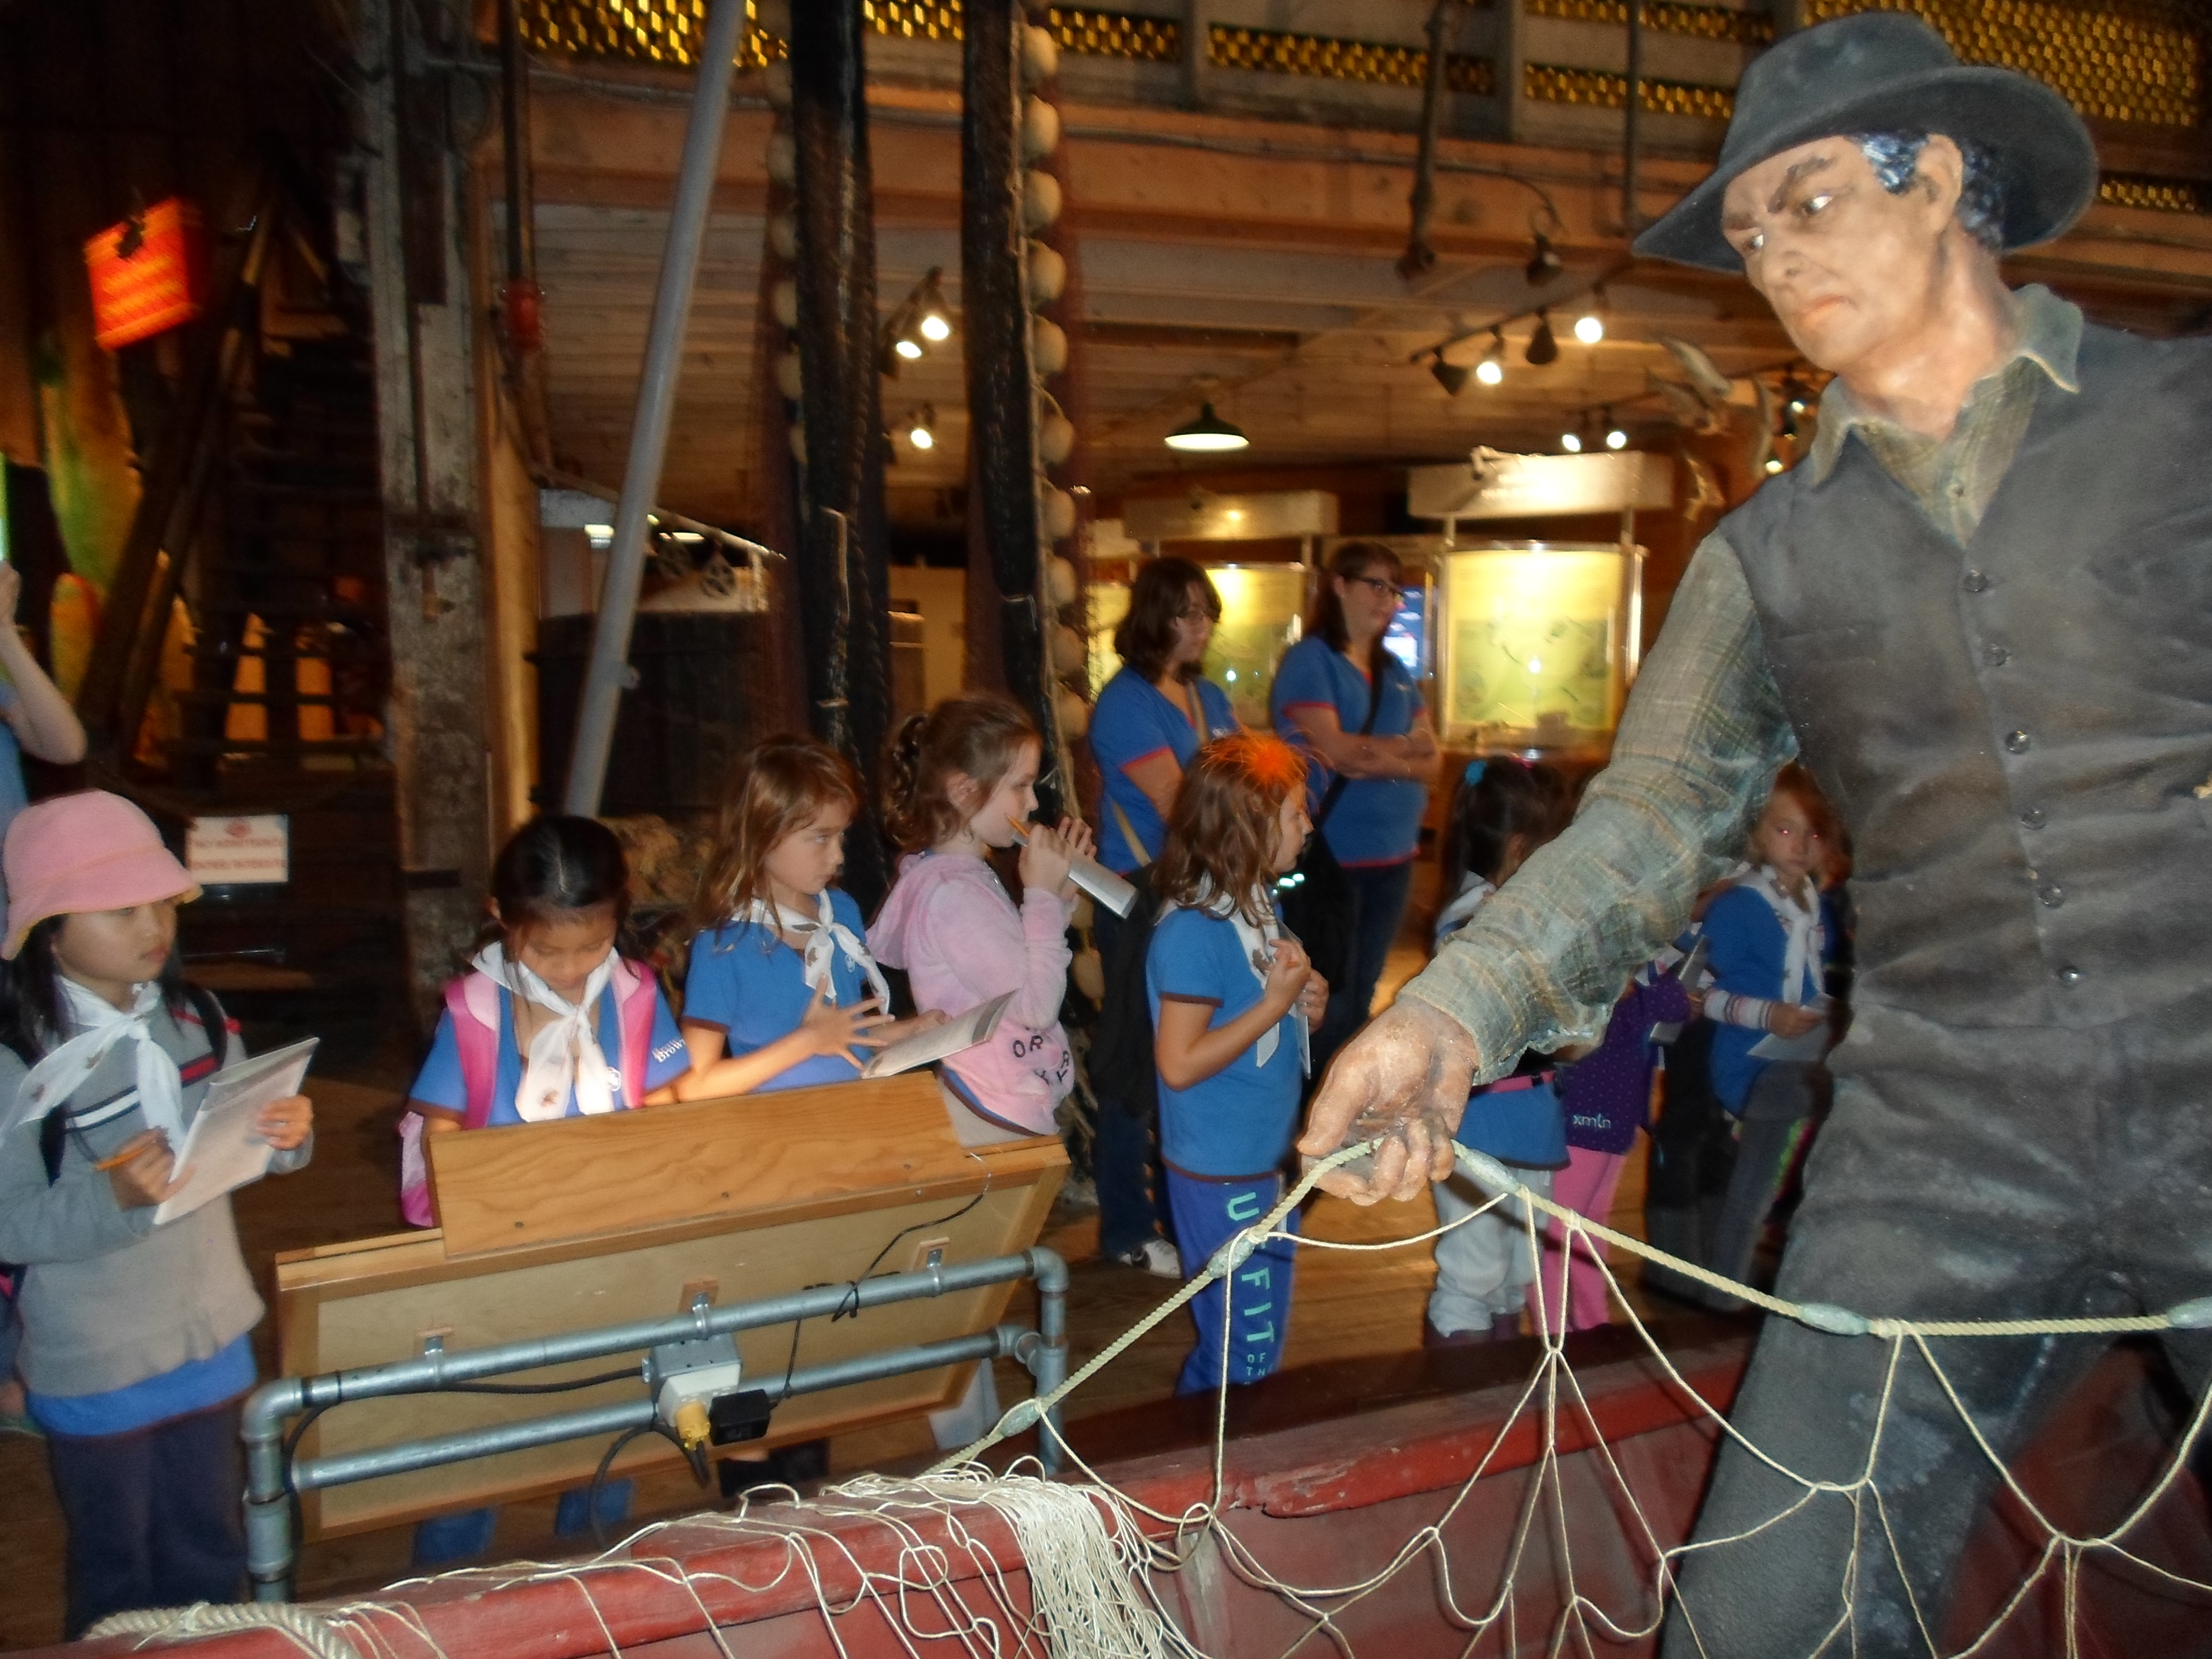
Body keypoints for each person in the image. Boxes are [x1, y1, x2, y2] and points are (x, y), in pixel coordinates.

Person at [1298, 14, 2212, 1650]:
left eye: (1807, 201)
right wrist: (1447, 1013)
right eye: (1747, 233)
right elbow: (1651, 819)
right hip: (1945, 1138)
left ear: (1938, 178)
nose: (1774, 257)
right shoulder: (1766, 553)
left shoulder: (2181, 420)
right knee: (1760, 1616)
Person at [0, 791, 313, 1636]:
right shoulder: (17, 1064)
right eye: (121, 909)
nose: (154, 927)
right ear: (48, 931)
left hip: (211, 1338)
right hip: (96, 1358)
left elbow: (239, 1146)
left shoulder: (196, 1019)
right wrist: (113, 1200)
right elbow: (10, 1223)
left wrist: (285, 1136)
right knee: (116, 1567)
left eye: (162, 904)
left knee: (211, 1548)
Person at [397, 814, 691, 1563]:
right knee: (481, 1443)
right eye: (545, 950)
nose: (568, 969)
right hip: (502, 1262)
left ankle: (595, 1575)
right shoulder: (474, 1008)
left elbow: (662, 1102)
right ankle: (447, 1589)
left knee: (611, 1430)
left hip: (611, 1250)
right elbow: (439, 1131)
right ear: (502, 917)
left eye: (591, 946)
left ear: (619, 918)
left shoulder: (633, 993)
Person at [1147, 733, 1327, 1395]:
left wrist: (1305, 1003)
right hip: (1222, 1172)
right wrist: (1274, 1003)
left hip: (1259, 1159)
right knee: (1243, 1351)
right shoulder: (1194, 930)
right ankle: (1206, 1451)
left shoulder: (1253, 905)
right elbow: (1179, 1063)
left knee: (1253, 1343)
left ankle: (1212, 1444)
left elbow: (1256, 1017)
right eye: (1295, 813)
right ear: (1249, 827)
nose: (1308, 826)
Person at [1087, 559, 1240, 1276]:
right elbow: (1184, 805)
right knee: (1135, 1070)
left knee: (1194, 1063)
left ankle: (1188, 1215)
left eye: (1207, 612)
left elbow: (1241, 788)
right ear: (1154, 618)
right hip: (1140, 898)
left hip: (1201, 896)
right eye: (1187, 612)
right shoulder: (1125, 704)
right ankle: (1126, 1226)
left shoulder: (1208, 695)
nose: (1201, 626)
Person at [871, 694, 1092, 1142]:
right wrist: (1041, 897)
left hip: (1002, 1102)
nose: (1033, 803)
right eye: (1020, 786)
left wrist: (1058, 899)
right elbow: (1035, 1007)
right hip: (993, 1111)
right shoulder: (952, 895)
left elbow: (1016, 962)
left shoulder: (965, 876)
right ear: (963, 791)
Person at [679, 736, 937, 1098]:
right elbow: (695, 1085)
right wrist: (807, 1041)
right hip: (783, 1127)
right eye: (821, 838)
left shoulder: (841, 913)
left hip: (857, 1113)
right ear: (763, 835)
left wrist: (911, 1032)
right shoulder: (724, 947)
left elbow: (844, 1037)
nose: (838, 857)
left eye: (841, 837)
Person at [1270, 541, 1438, 1077]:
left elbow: (1434, 759)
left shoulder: (1395, 670)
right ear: (1340, 585)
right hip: (1333, 861)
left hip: (1395, 858)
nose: (1388, 600)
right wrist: (1405, 749)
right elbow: (1337, 753)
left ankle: (1344, 1094)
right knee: (1329, 995)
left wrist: (1385, 757)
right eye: (1376, 585)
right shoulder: (1311, 662)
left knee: (1364, 990)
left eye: (1395, 590)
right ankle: (1313, 1101)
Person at [1425, 757, 1568, 1346]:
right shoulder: (1476, 919)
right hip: (1481, 1118)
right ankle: (1465, 1387)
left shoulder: (1510, 912)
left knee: (1515, 1272)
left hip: (1527, 1111)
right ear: (1519, 848)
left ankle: (1503, 1381)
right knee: (1473, 1272)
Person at [1697, 767, 1836, 1300]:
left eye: (1813, 833)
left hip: (1798, 1056)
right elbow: (1696, 994)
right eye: (1785, 829)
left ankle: (1793, 1272)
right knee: (1758, 1176)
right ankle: (1725, 1288)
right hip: (1752, 1059)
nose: (1801, 845)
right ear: (1756, 834)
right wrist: (1768, 1017)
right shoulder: (1740, 907)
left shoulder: (1809, 903)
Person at [1537, 957, 1696, 1335]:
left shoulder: (1636, 968)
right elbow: (1662, 1003)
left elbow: (1664, 1007)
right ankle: (1562, 1331)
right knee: (1564, 1232)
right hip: (1590, 1113)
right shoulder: (1602, 960)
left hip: (1608, 1114)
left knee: (1583, 1228)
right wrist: (1667, 991)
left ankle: (1586, 1326)